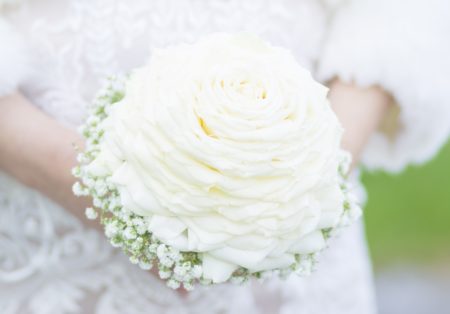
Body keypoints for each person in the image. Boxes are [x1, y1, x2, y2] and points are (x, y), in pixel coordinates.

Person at [0, 0, 448, 313]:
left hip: (294, 236)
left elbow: (401, 9)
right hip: (46, 229)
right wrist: (98, 185)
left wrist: (308, 180)